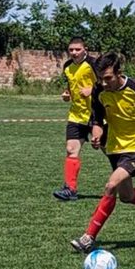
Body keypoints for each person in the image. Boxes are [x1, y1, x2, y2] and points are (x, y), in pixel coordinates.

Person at [70, 52, 135, 254]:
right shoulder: (100, 91)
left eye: (108, 78)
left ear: (119, 73)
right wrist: (97, 133)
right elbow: (97, 118)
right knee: (126, 195)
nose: (104, 83)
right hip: (116, 145)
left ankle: (88, 237)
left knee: (111, 185)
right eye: (100, 79)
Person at [53, 36, 98, 201]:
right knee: (71, 149)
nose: (74, 52)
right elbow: (71, 87)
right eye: (71, 49)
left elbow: (109, 84)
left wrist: (92, 90)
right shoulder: (67, 67)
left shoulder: (95, 64)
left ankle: (123, 183)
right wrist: (67, 95)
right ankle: (70, 189)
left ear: (85, 49)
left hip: (97, 115)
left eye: (77, 49)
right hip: (76, 115)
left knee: (110, 151)